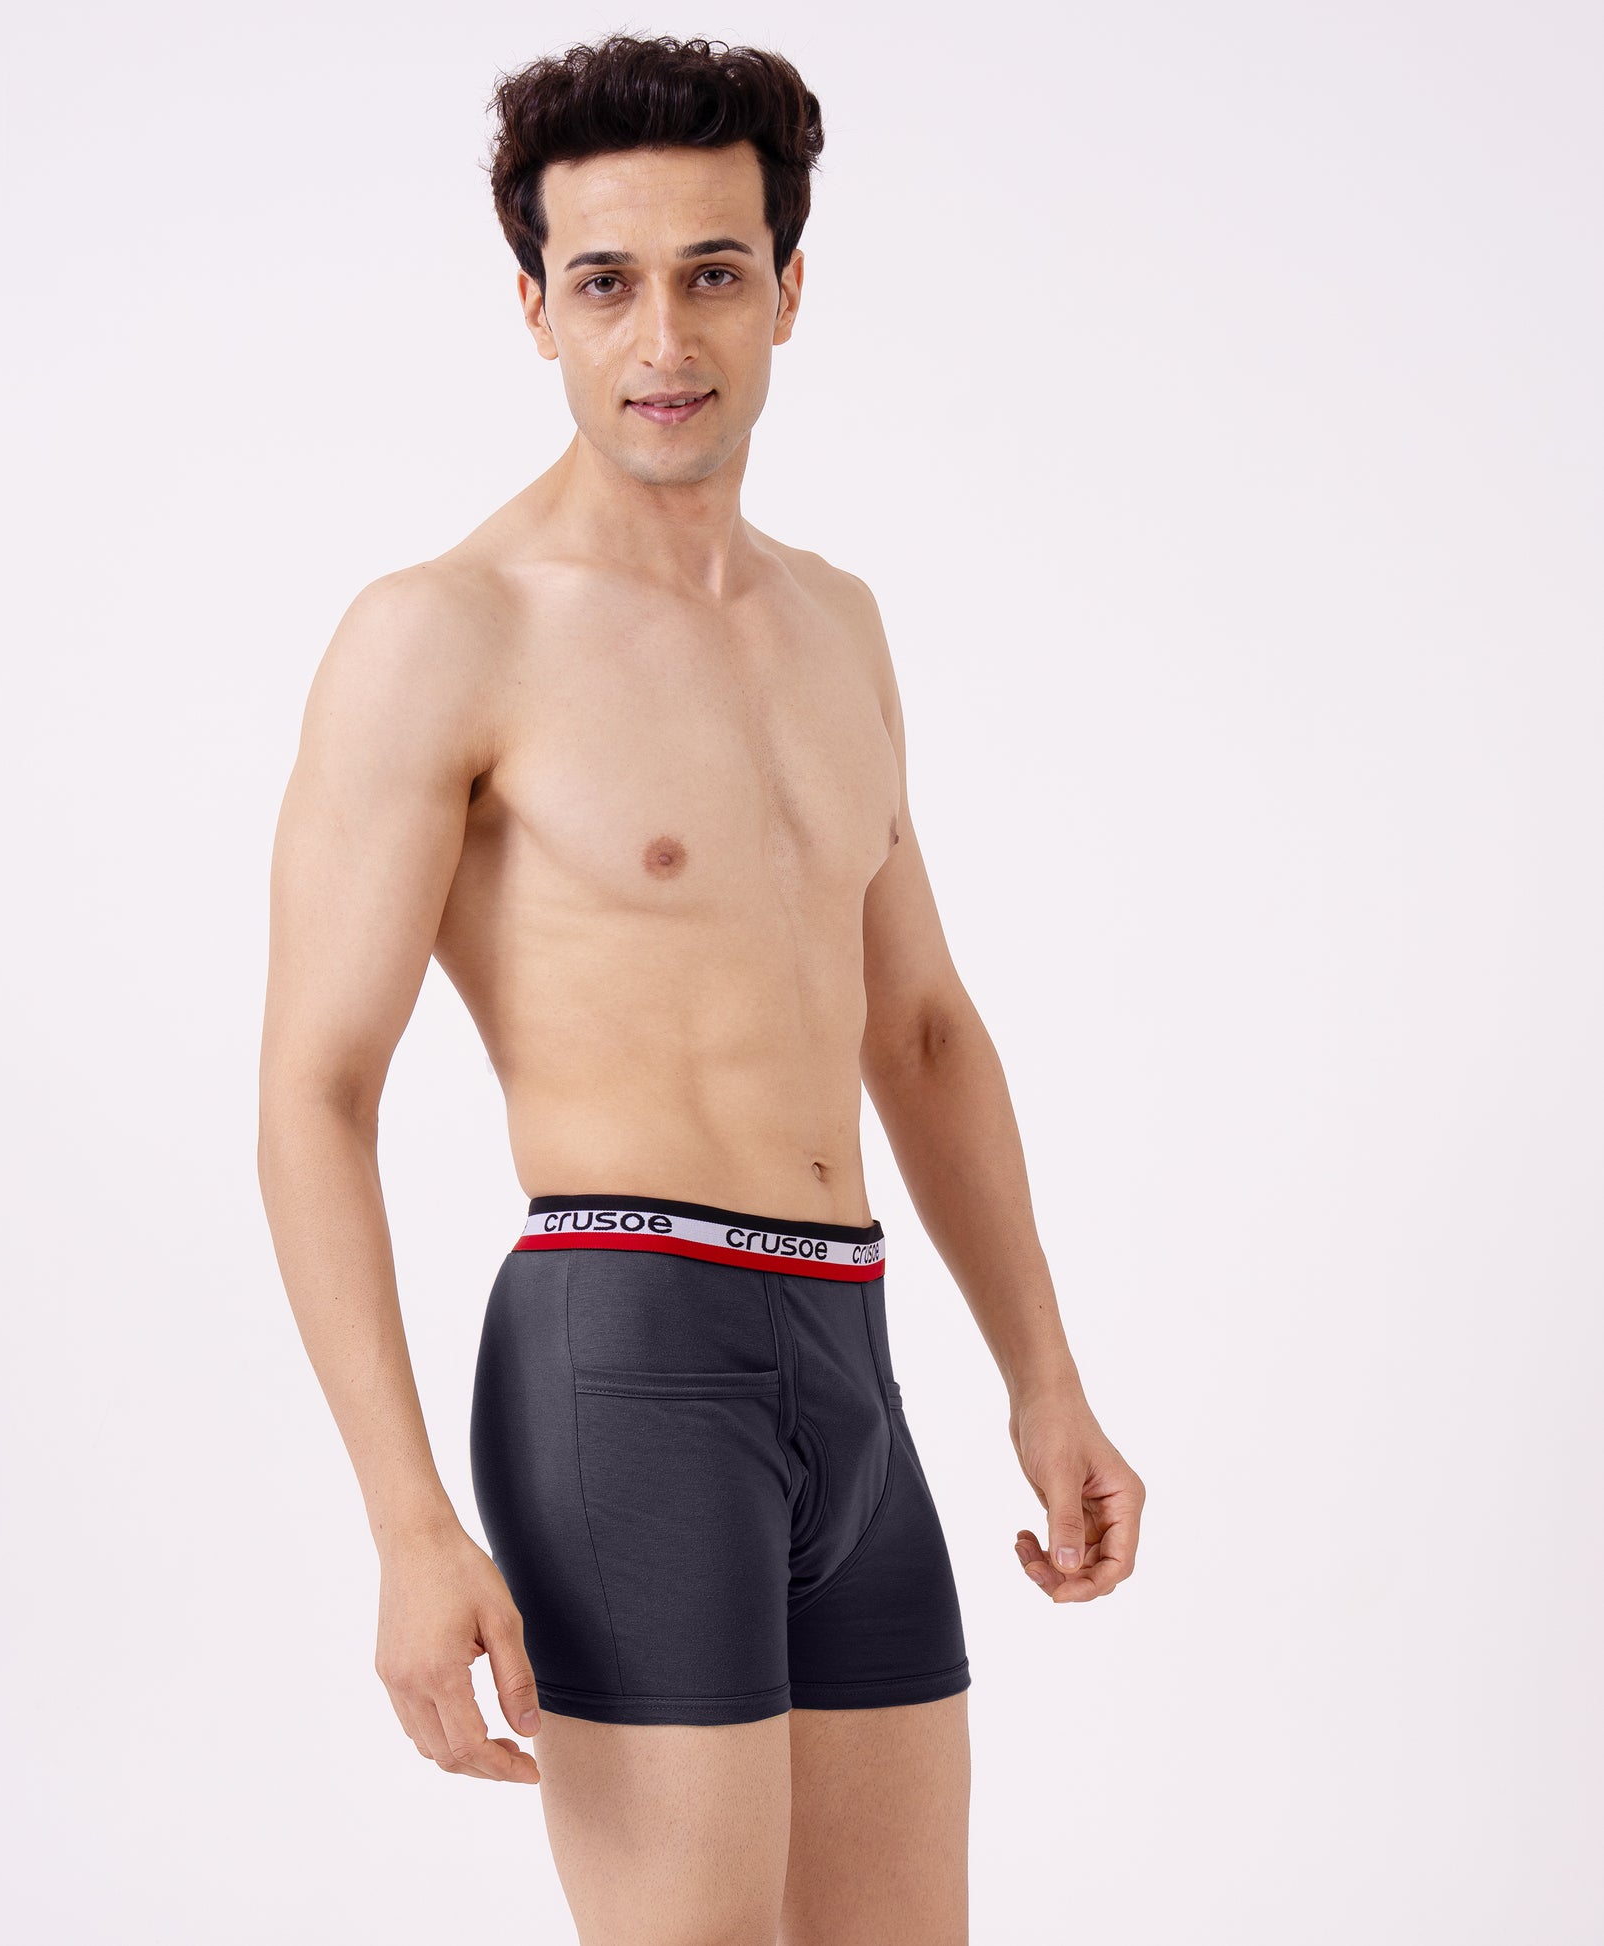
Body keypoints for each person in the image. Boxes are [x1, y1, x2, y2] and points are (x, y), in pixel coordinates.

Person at [257, 32, 1145, 1944]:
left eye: (712, 273)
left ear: (787, 290)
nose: (662, 336)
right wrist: (407, 1520)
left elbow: (919, 1027)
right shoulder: (442, 635)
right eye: (605, 282)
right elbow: (314, 1092)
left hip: (852, 1352)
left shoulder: (839, 623)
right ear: (535, 309)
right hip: (625, 1357)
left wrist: (1044, 1377)